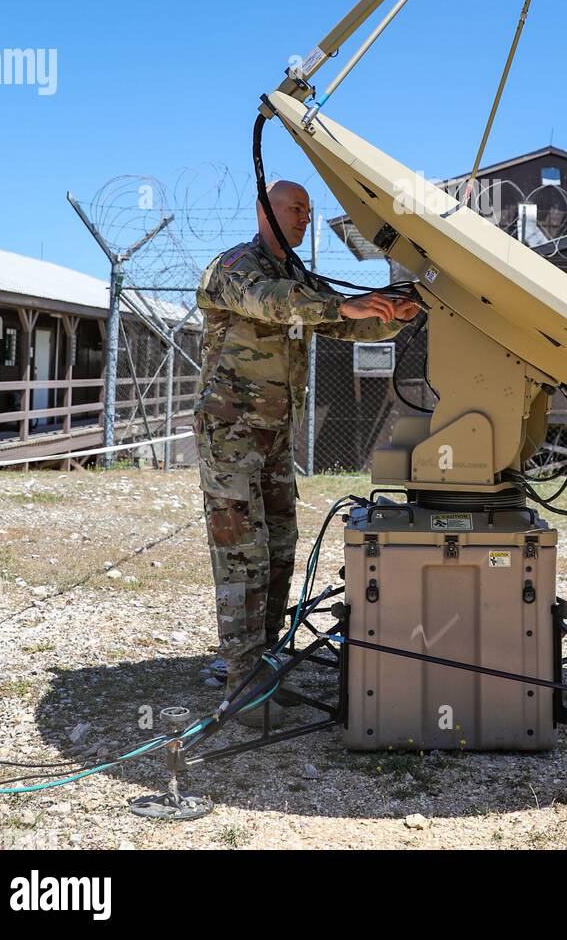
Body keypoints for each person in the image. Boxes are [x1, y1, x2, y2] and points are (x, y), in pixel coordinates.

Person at [193, 179, 418, 728]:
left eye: (309, 210)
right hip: (232, 433)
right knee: (242, 550)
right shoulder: (236, 267)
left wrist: (388, 314)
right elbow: (272, 304)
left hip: (273, 436)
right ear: (265, 208)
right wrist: (347, 302)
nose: (305, 218)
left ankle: (262, 664)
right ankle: (242, 683)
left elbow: (337, 321)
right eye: (296, 208)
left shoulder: (296, 276)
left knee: (279, 549)